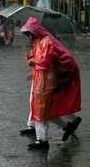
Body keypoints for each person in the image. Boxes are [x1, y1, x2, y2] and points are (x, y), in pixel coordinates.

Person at [21, 17, 82, 150]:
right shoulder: (39, 41)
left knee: (45, 108)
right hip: (45, 79)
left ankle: (43, 139)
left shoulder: (47, 42)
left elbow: (45, 61)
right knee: (47, 108)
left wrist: (34, 61)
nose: (29, 37)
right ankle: (67, 126)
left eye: (29, 34)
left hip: (50, 79)